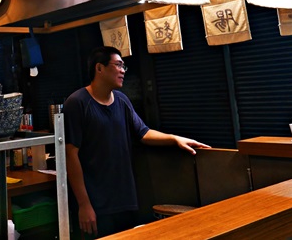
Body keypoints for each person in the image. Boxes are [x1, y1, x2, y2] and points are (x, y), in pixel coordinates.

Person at [63, 46, 210, 238]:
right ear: (99, 68)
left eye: (123, 66)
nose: (123, 71)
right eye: (118, 65)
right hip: (96, 202)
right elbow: (70, 154)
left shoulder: (122, 100)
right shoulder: (77, 102)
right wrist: (84, 204)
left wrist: (175, 139)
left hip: (125, 198)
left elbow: (143, 133)